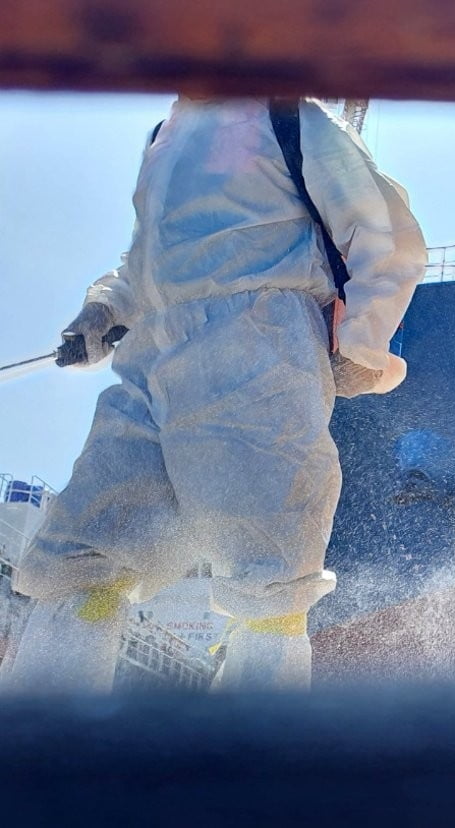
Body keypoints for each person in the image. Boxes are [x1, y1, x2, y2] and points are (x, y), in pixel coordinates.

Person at [0, 97, 426, 692]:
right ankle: (42, 737)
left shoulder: (289, 116)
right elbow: (148, 256)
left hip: (255, 338)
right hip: (151, 356)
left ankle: (254, 755)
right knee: (85, 549)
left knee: (267, 566)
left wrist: (362, 344)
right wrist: (103, 310)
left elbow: (383, 231)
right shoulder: (165, 137)